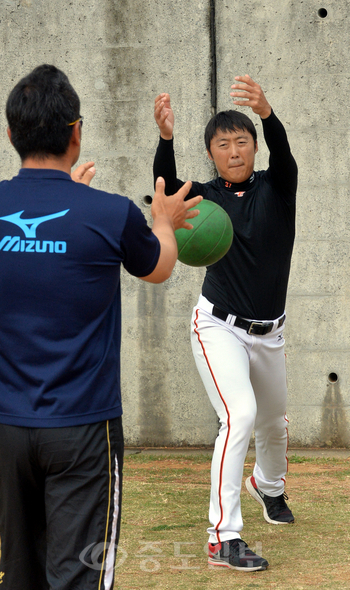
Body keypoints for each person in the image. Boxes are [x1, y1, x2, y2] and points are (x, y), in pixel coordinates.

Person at [0, 64, 202, 590]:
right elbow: (158, 266)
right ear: (76, 132)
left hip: (4, 426)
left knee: (18, 574)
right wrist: (163, 220)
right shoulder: (109, 214)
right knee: (77, 578)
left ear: (10, 134)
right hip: (82, 431)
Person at [153, 74, 298, 571]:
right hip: (219, 325)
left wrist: (267, 111)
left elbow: (286, 156)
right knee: (240, 415)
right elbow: (166, 191)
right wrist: (166, 139)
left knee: (274, 423)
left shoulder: (279, 188)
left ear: (255, 147)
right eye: (222, 144)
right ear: (211, 153)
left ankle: (268, 486)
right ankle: (223, 537)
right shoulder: (206, 197)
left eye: (242, 142)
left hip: (270, 331)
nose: (234, 150)